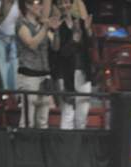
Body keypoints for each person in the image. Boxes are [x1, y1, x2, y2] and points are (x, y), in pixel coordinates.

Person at [16, 0, 60, 128]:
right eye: (37, 3)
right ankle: (25, 146)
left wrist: (55, 31)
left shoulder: (42, 26)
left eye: (41, 3)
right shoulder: (21, 23)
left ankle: (42, 147)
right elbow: (31, 43)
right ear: (28, 5)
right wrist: (45, 28)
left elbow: (56, 47)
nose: (40, 6)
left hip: (44, 77)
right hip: (29, 76)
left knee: (43, 120)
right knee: (27, 121)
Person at [52, 0, 92, 129]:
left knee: (82, 115)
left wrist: (86, 30)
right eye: (60, 3)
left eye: (66, 2)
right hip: (66, 74)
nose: (64, 6)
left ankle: (79, 146)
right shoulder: (58, 25)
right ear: (57, 6)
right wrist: (60, 33)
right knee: (67, 113)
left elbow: (88, 45)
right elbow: (58, 51)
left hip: (83, 72)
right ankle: (65, 146)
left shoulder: (80, 22)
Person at [0, 0, 20, 90]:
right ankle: (5, 96)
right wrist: (6, 4)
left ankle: (14, 97)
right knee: (2, 71)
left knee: (14, 70)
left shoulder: (17, 2)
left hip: (13, 39)